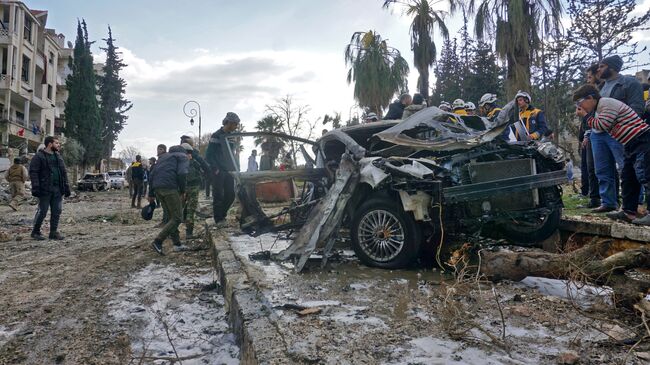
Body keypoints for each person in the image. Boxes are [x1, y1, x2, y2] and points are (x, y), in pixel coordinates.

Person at [574, 84, 650, 225]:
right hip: (629, 143)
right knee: (628, 178)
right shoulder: (598, 109)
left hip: (642, 139)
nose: (579, 107)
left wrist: (585, 116)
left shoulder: (606, 103)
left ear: (590, 98)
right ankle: (628, 212)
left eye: (580, 103)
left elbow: (602, 125)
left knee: (645, 175)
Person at [148, 145, 190, 254]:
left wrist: (151, 193)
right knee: (177, 218)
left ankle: (177, 244)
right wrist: (182, 191)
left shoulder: (163, 158)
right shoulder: (182, 157)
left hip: (158, 189)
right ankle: (158, 240)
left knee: (171, 217)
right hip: (170, 188)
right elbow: (182, 173)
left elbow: (152, 175)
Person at [29, 136, 71, 240]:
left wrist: (66, 187)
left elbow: (63, 173)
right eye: (56, 143)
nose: (59, 145)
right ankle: (35, 232)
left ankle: (53, 233)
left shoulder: (58, 157)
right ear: (50, 144)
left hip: (57, 189)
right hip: (45, 189)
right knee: (42, 211)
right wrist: (36, 187)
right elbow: (33, 172)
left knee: (57, 211)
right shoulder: (39, 157)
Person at [206, 112, 240, 227]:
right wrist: (215, 169)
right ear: (228, 123)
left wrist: (236, 168)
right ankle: (219, 219)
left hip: (229, 170)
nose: (236, 126)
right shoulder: (216, 135)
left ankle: (222, 214)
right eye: (235, 124)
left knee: (230, 195)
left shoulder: (231, 137)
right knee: (218, 195)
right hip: (218, 171)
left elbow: (232, 155)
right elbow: (209, 155)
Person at [180, 143, 203, 239]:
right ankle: (189, 233)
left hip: (182, 188)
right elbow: (201, 171)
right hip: (193, 187)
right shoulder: (194, 161)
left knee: (179, 210)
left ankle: (172, 232)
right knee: (190, 210)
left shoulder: (179, 162)